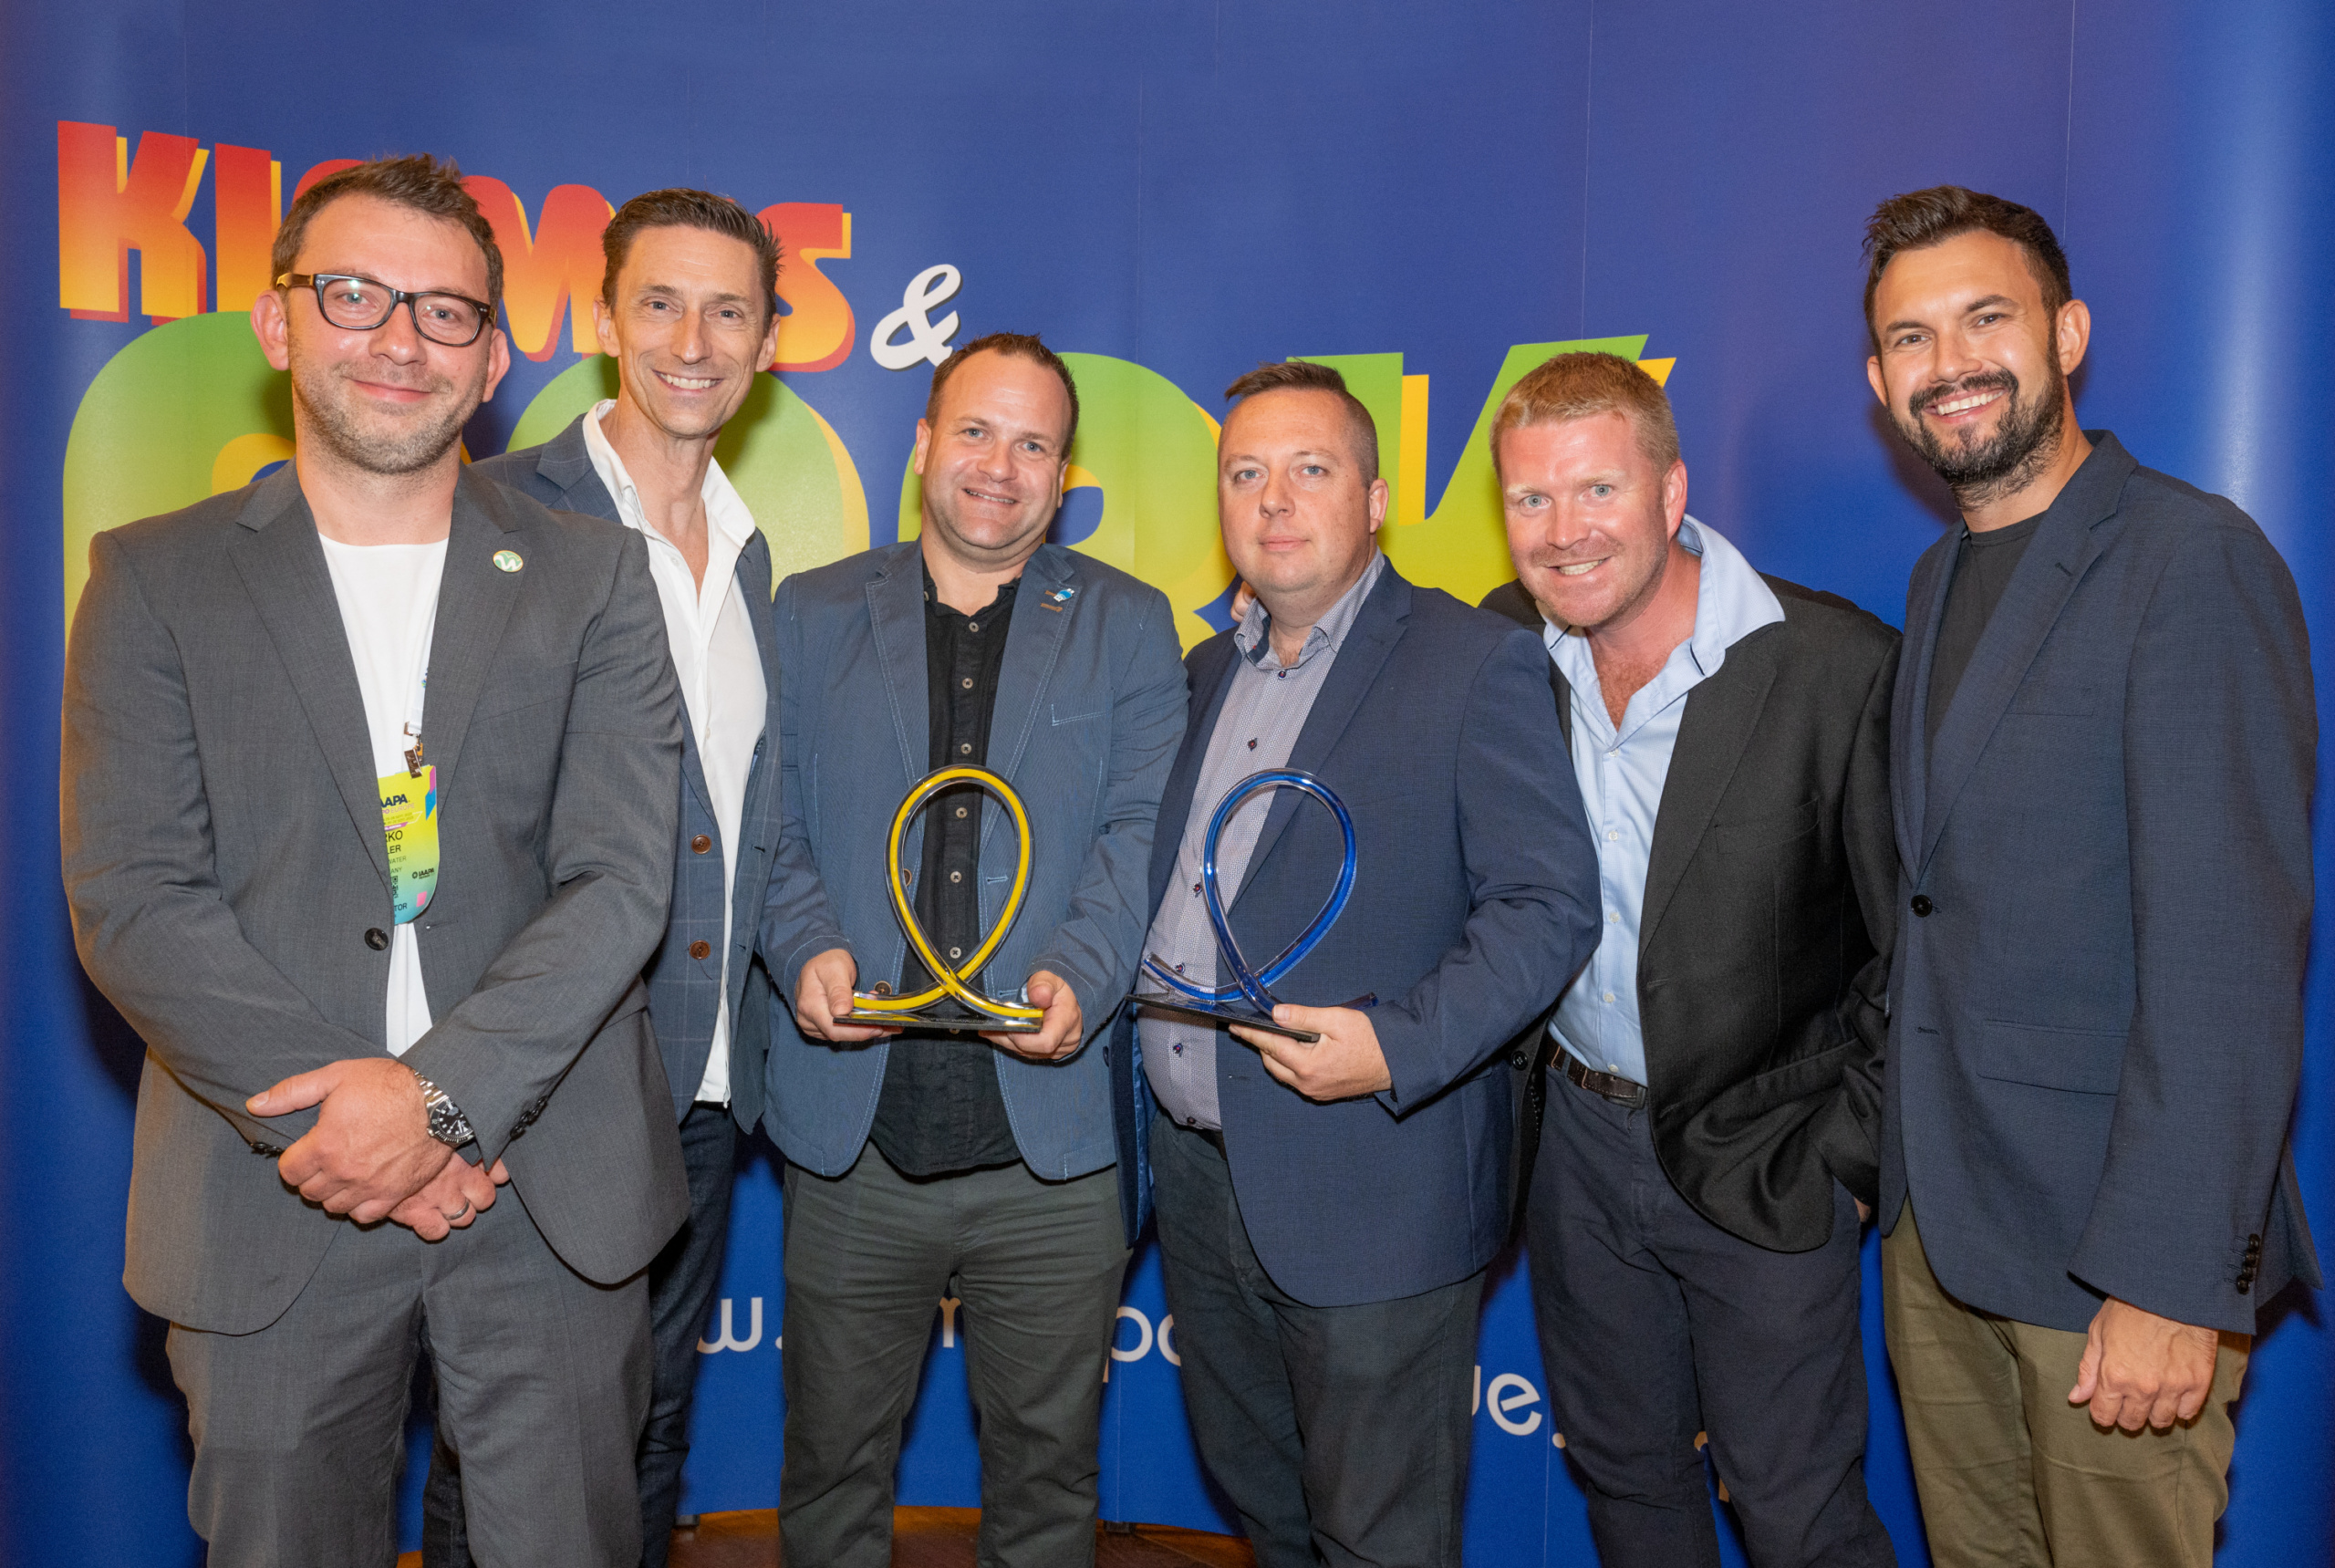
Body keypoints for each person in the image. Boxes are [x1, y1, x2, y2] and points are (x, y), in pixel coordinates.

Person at [60, 155, 687, 1567]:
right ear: (279, 322)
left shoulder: (597, 578)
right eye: (355, 295)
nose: (401, 339)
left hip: (547, 1189)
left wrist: (442, 1104)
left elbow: (619, 881)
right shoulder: (152, 579)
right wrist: (365, 1129)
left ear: (493, 359)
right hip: (269, 1190)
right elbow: (135, 899)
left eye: (445, 311)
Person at [1862, 184, 2319, 1566]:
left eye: (1985, 319)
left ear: (2067, 335)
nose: (1950, 364)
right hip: (1944, 1234)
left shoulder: (2193, 560)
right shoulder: (1938, 579)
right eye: (1911, 338)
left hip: (2110, 1254)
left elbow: (2228, 952)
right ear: (1880, 382)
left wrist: (2170, 1279)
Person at [1112, 359, 1600, 1568]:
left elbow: (1548, 907)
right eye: (1246, 473)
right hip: (1201, 1186)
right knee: (1270, 1515)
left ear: (1376, 500)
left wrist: (1396, 1046)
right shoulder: (1199, 675)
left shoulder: (1473, 661)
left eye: (1310, 469)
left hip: (1374, 1186)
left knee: (1378, 1538)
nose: (1274, 500)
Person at [760, 332, 1187, 1568]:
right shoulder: (811, 613)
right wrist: (805, 948)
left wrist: (1086, 975)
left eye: (1034, 444)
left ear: (1064, 474)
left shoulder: (1127, 623)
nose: (1001, 466)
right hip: (854, 1138)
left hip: (1052, 1150)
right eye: (977, 432)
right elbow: (766, 825)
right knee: (830, 1478)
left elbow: (1140, 833)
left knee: (1048, 1489)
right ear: (922, 446)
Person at [1479, 352, 1899, 1568]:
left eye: (1597, 490)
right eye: (1531, 499)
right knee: (1629, 1484)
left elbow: (1913, 948)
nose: (1564, 532)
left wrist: (1846, 1162)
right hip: (1573, 1152)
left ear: (1670, 494)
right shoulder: (1503, 645)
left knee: (1797, 1513)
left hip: (1769, 1154)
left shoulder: (1833, 668)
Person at [421, 188, 790, 1568]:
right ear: (602, 319)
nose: (694, 341)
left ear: (768, 342)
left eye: (728, 310)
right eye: (662, 303)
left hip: (701, 1086)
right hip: (544, 1080)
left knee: (649, 1425)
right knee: (508, 1441)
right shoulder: (496, 506)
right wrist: (473, 1070)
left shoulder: (752, 555)